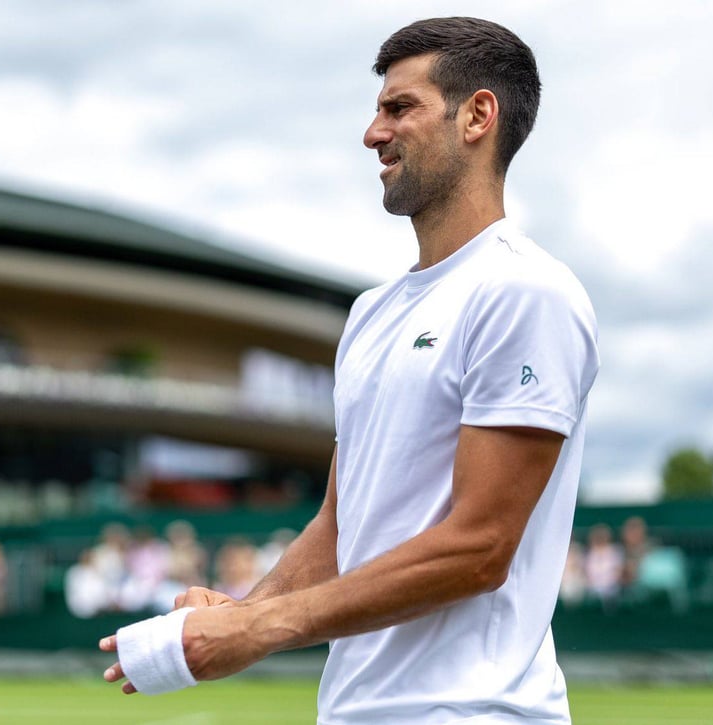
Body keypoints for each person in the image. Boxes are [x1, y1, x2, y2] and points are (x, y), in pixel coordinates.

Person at [103, 17, 600, 723]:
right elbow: (341, 527)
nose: (374, 133)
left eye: (400, 107)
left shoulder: (525, 291)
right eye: (378, 110)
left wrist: (257, 629)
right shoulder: (371, 312)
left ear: (478, 116)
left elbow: (480, 547)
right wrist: (242, 611)